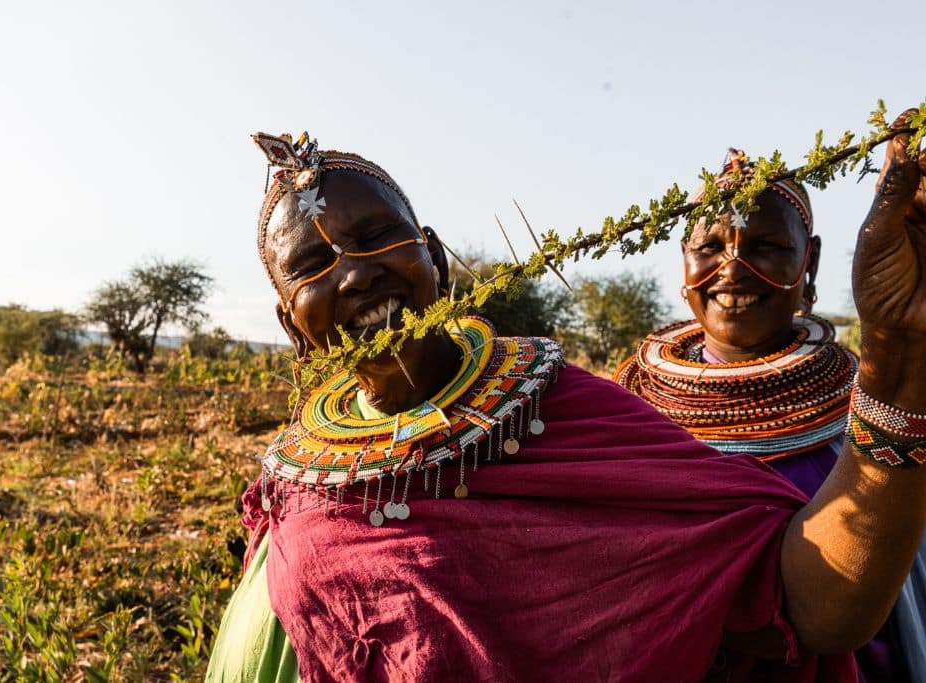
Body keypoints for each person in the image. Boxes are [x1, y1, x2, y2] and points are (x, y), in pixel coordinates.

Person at [207, 117, 926, 682]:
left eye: (376, 239)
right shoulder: (297, 475)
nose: (356, 275)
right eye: (312, 264)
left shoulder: (572, 418)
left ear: (436, 258)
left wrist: (894, 361)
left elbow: (809, 601)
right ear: (287, 322)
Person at [613, 147, 926, 680]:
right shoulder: (625, 416)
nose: (732, 268)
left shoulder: (874, 401)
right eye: (709, 245)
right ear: (682, 264)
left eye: (769, 245)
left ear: (812, 261)